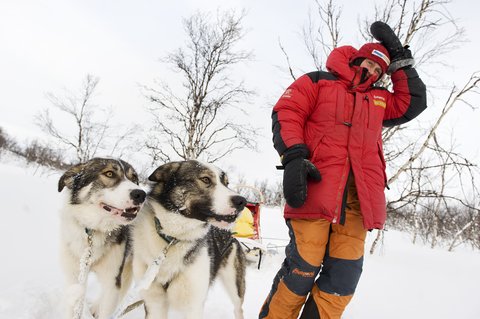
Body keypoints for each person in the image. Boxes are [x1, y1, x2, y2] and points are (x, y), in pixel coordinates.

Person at [259, 22, 427, 319]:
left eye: (380, 71)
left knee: (343, 280)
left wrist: (400, 58)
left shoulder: (378, 101)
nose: (374, 73)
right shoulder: (318, 82)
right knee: (302, 270)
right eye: (371, 64)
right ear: (356, 58)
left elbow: (412, 102)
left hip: (358, 203)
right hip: (315, 190)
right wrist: (294, 156)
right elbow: (287, 112)